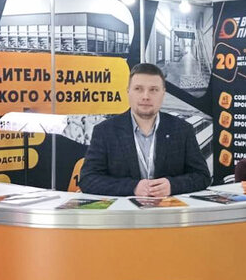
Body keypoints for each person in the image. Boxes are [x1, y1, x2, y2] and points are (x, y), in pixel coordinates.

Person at [78, 63, 211, 196]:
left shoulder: (182, 130)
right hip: (126, 209)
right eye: (138, 89)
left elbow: (202, 176)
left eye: (153, 90)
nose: (146, 96)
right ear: (128, 91)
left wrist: (173, 185)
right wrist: (133, 187)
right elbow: (88, 179)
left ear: (163, 93)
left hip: (168, 208)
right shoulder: (105, 131)